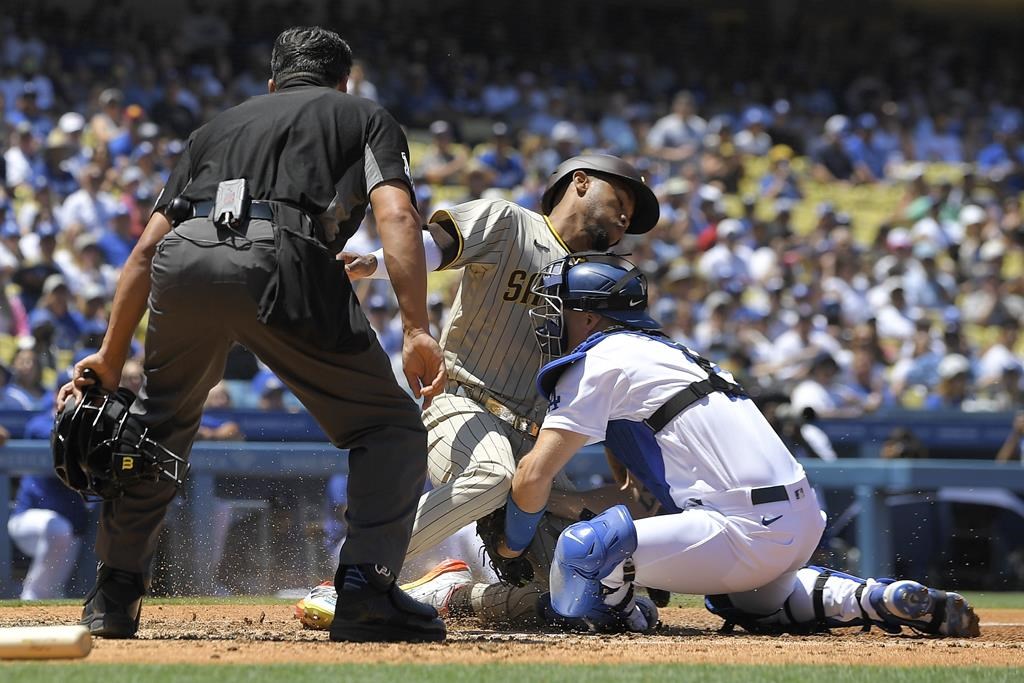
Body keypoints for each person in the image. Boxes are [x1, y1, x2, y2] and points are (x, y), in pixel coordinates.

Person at [56, 26, 447, 644]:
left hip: (184, 263)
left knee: (155, 432)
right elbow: (396, 214)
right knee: (389, 427)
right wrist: (418, 327)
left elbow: (142, 253)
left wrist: (109, 355)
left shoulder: (211, 130)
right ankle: (365, 590)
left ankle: (114, 594)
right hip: (285, 259)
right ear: (342, 81)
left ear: (273, 82)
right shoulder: (363, 114)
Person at [493, 252, 979, 637]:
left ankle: (625, 619)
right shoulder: (669, 354)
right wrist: (561, 502)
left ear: (591, 319)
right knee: (750, 601)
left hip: (739, 529)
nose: (549, 319)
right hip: (801, 521)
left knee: (586, 552)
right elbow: (634, 495)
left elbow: (533, 476)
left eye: (560, 308)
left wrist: (512, 546)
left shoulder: (600, 359)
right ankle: (871, 598)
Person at [296, 154, 660, 627]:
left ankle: (455, 594)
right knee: (491, 473)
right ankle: (351, 577)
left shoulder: (600, 279)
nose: (626, 216)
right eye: (623, 197)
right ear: (581, 181)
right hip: (464, 403)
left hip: (535, 442)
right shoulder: (510, 221)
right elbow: (435, 247)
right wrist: (378, 263)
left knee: (577, 601)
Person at [8, 413, 89, 599]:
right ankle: (30, 598)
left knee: (54, 591)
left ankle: (44, 608)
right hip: (28, 520)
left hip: (75, 527)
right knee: (58, 530)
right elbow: (57, 437)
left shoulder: (95, 419)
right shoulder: (43, 422)